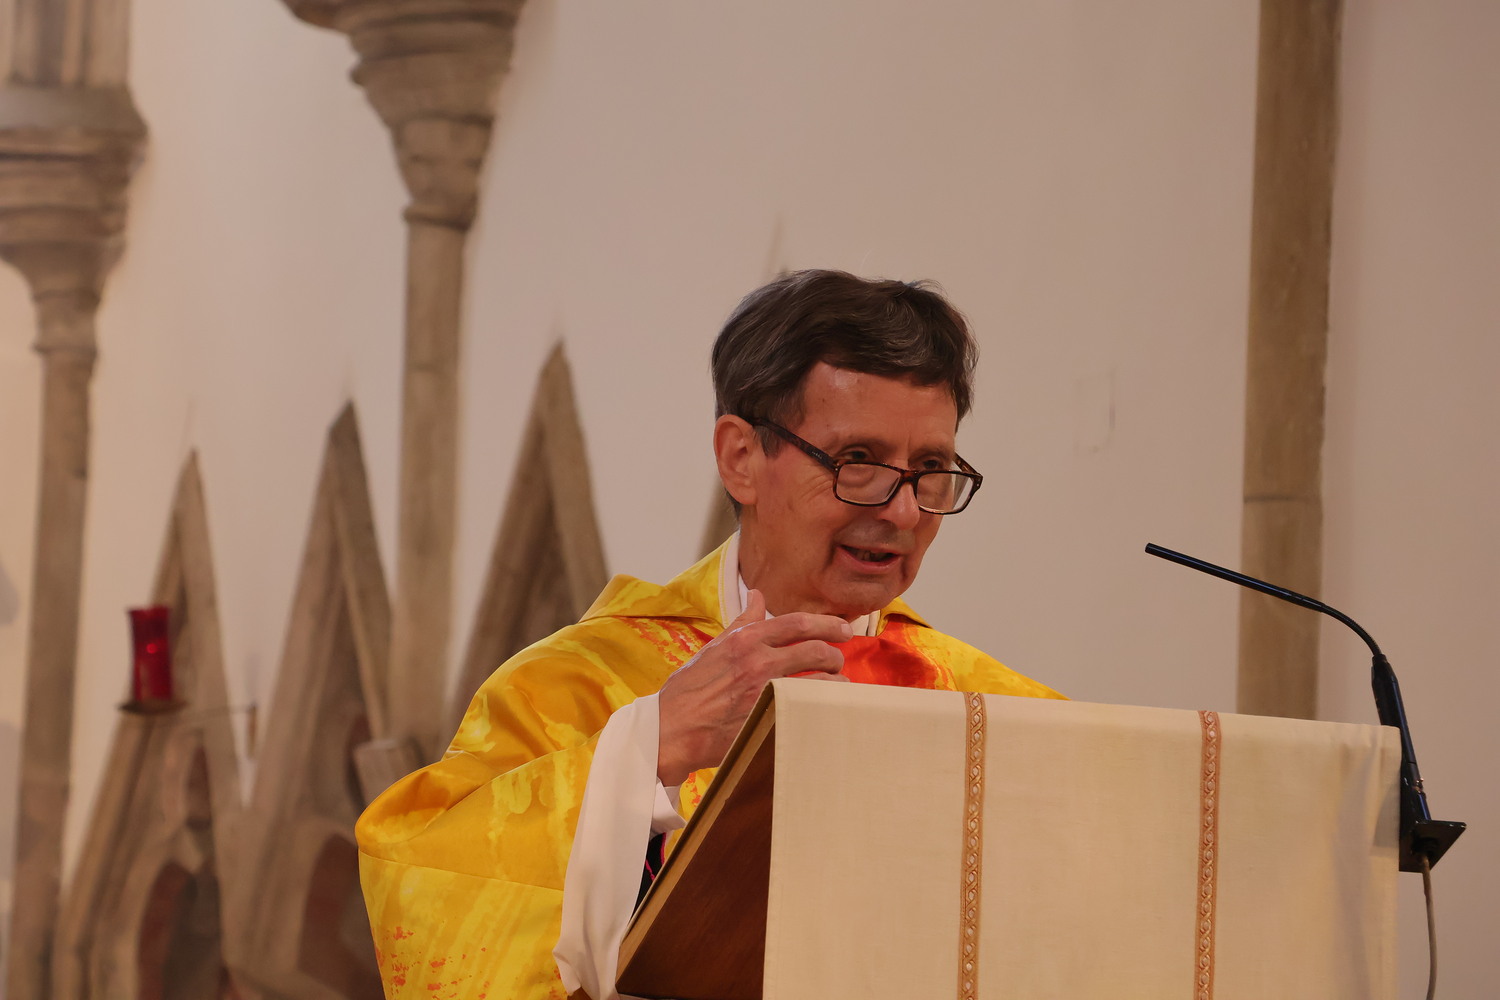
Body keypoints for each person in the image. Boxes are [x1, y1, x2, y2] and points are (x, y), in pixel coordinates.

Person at [356, 270, 1063, 1000]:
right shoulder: (571, 690)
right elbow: (418, 880)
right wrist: (646, 754)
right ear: (741, 458)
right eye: (858, 461)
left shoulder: (997, 711)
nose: (904, 512)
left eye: (931, 469)